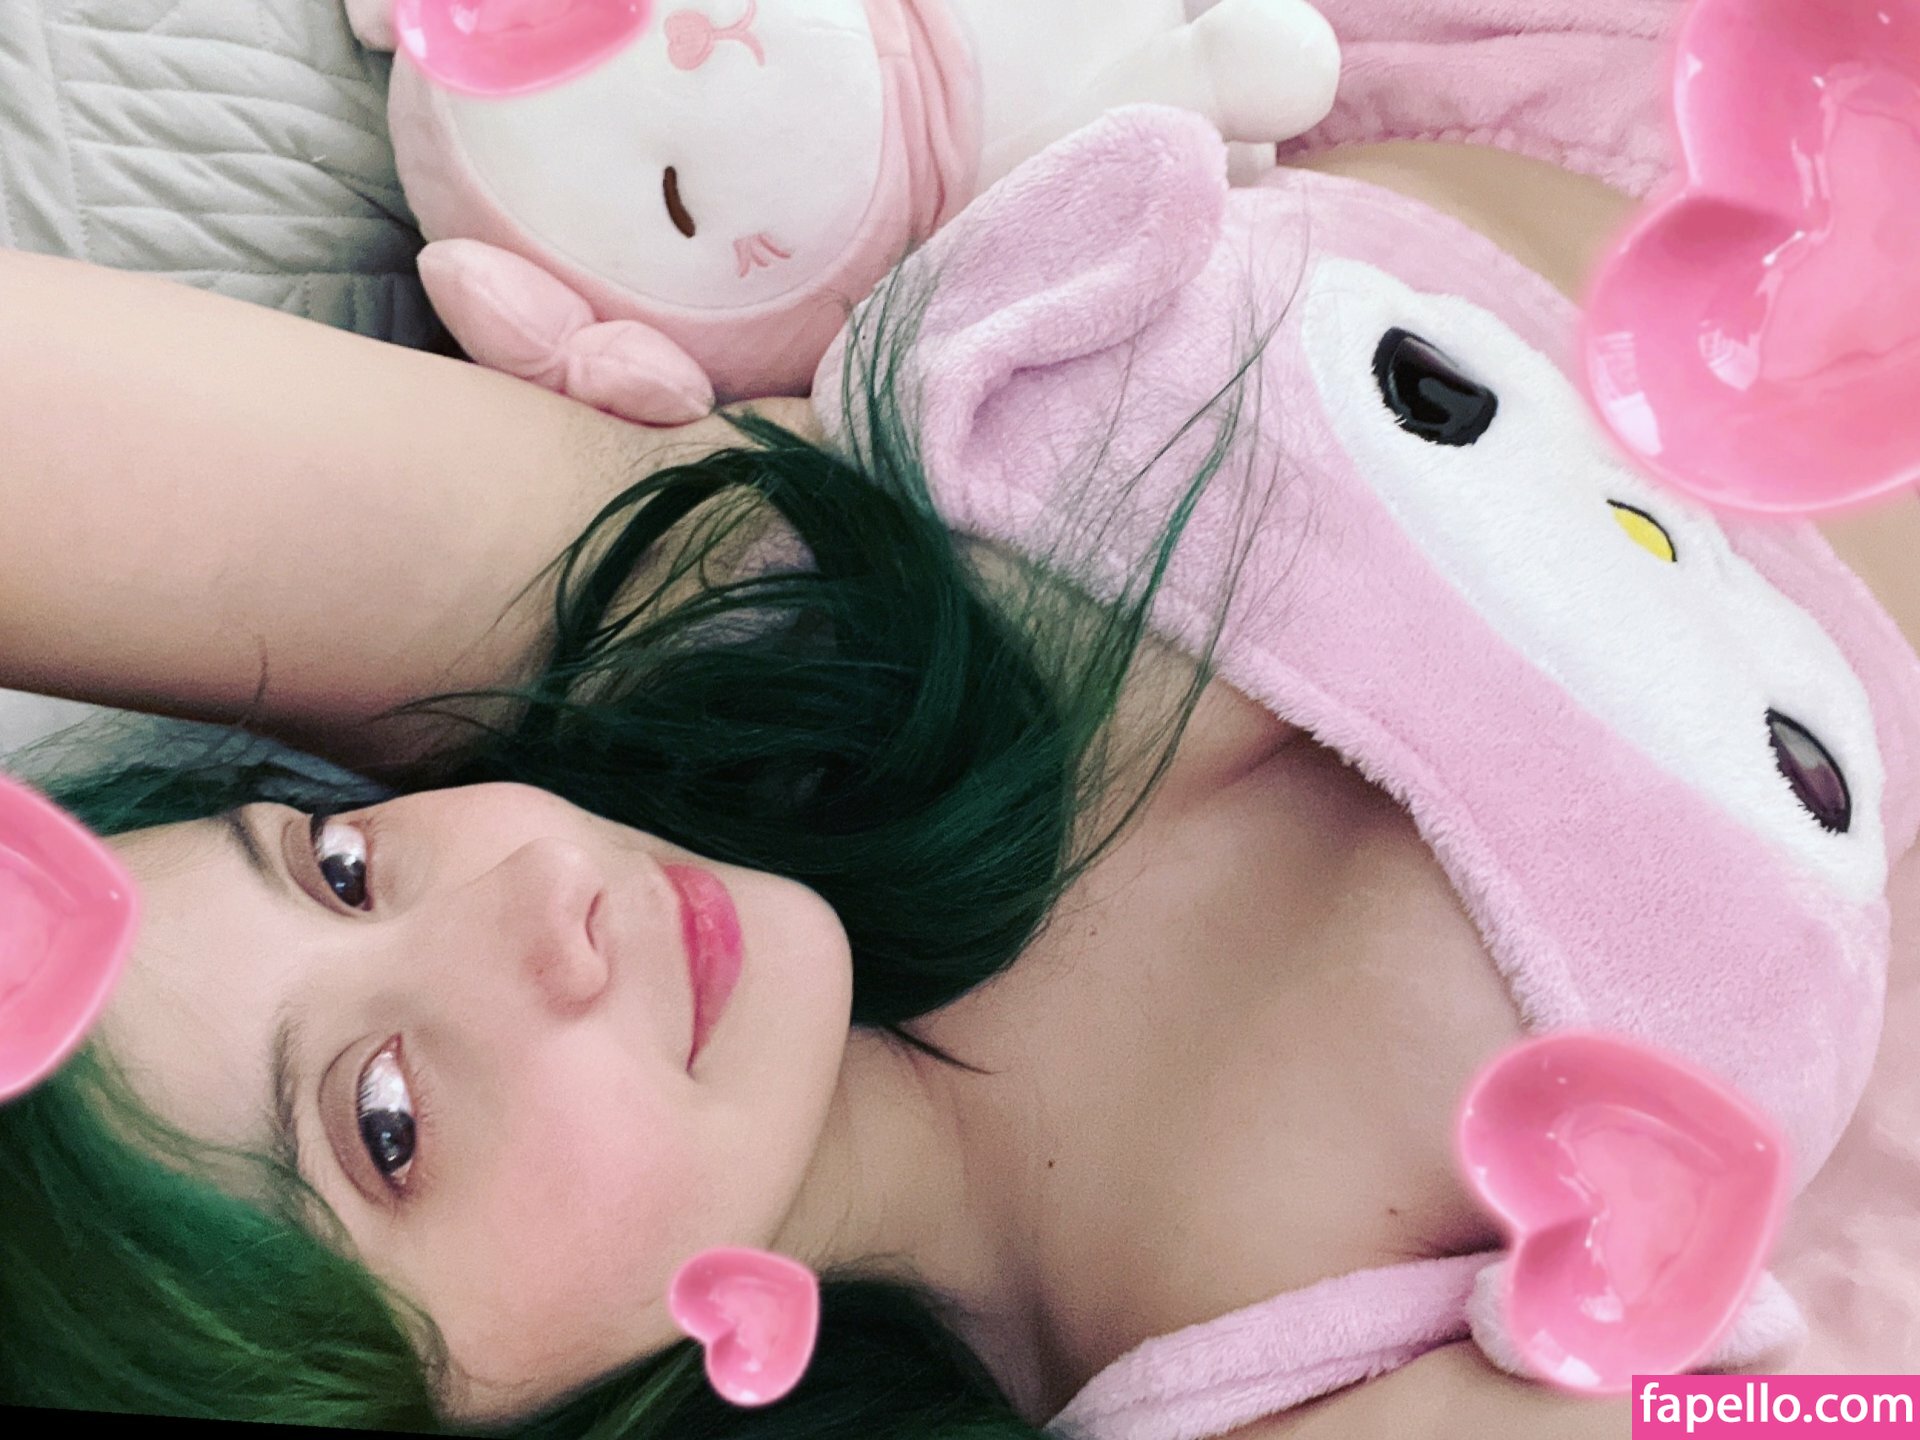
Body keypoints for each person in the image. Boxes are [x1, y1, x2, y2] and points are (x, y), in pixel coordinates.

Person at [5, 19, 1920, 1440]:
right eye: (388, 1125)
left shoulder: (708, 644)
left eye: (339, 868)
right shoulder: (1255, 1381)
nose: (528, 901)